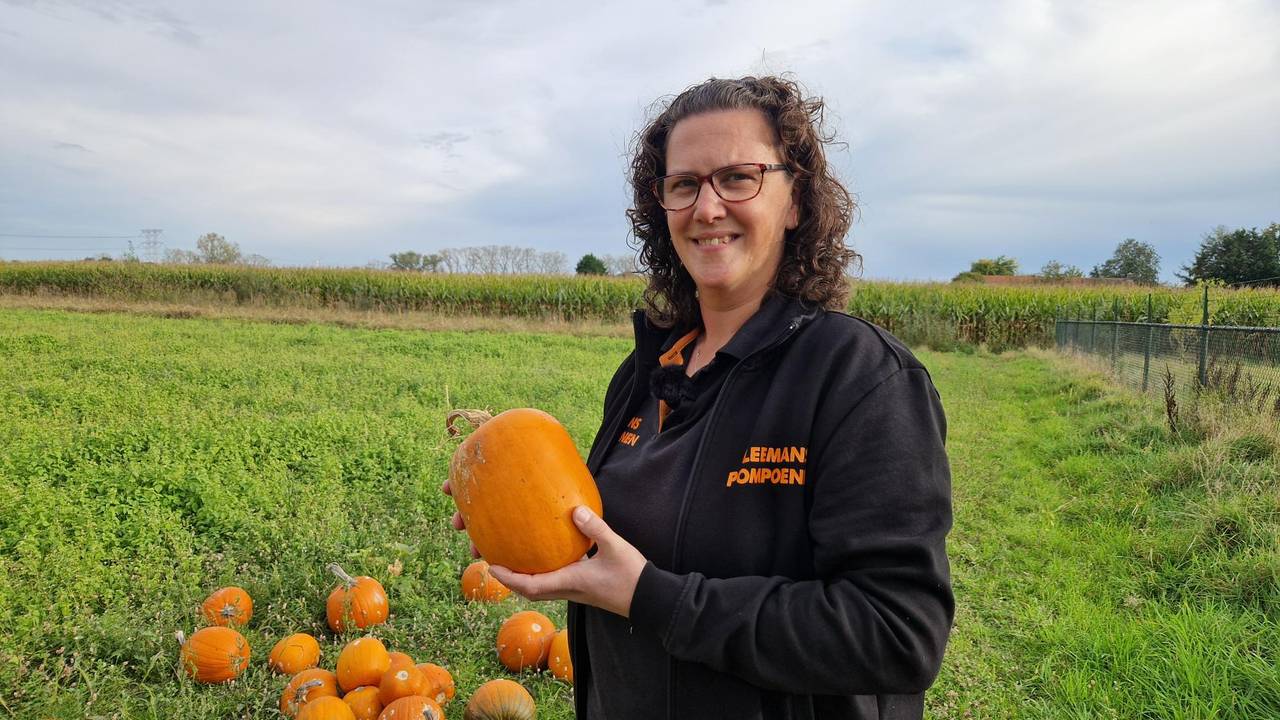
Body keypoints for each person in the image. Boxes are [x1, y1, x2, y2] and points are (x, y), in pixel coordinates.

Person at [446, 75, 953, 720]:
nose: (707, 208)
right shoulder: (646, 371)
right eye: (683, 184)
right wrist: (521, 517)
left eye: (738, 177)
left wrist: (653, 598)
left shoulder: (858, 376)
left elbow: (896, 633)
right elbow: (609, 552)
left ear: (795, 200)